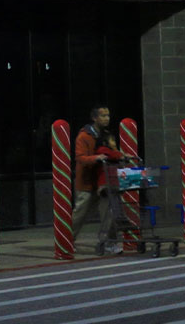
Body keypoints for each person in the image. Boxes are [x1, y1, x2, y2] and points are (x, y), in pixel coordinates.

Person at [68, 104, 125, 255]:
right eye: (103, 115)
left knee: (110, 212)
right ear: (94, 118)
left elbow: (112, 151)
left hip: (104, 180)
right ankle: (67, 240)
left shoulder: (107, 134)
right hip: (87, 181)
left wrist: (120, 155)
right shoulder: (84, 136)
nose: (107, 118)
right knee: (80, 213)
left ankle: (109, 242)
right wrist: (97, 158)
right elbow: (80, 158)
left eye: (108, 115)